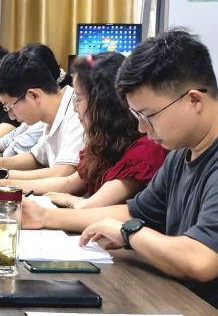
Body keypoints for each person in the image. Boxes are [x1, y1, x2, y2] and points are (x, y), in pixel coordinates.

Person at [23, 28, 218, 316]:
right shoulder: (183, 152)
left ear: (194, 99)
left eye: (149, 115)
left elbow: (200, 260)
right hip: (187, 309)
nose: (142, 129)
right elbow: (133, 212)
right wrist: (47, 217)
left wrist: (129, 234)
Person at [30, 52, 166, 227]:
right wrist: (2, 183)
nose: (74, 108)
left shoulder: (146, 149)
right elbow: (70, 183)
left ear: (103, 103)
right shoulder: (105, 142)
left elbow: (89, 207)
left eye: (78, 99)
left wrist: (69, 203)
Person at [0, 44, 84, 192]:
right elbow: (36, 158)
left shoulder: (77, 112)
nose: (11, 115)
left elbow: (62, 173)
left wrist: (1, 178)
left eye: (10, 107)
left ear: (33, 95)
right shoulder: (50, 111)